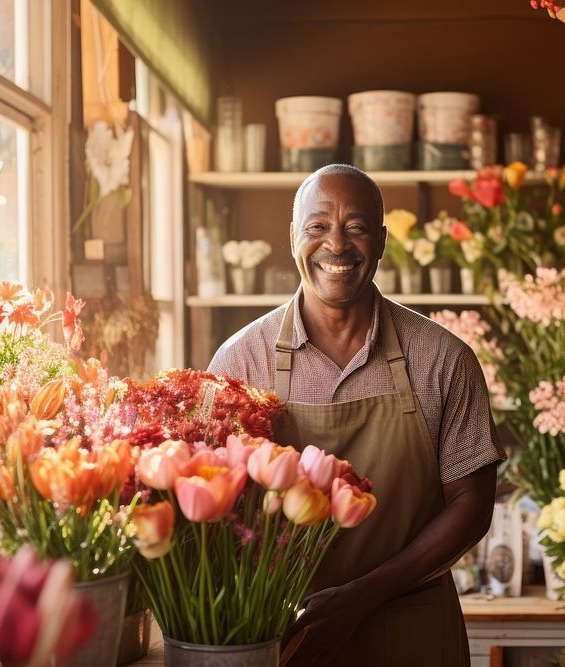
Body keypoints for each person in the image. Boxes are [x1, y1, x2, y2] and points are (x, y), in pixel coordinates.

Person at [208, 164, 503, 666]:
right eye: (317, 227)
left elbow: (472, 503)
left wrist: (363, 595)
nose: (336, 245)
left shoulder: (443, 358)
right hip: (286, 631)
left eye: (356, 227)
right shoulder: (241, 362)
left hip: (411, 626)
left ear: (382, 241)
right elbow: (217, 505)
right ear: (293, 238)